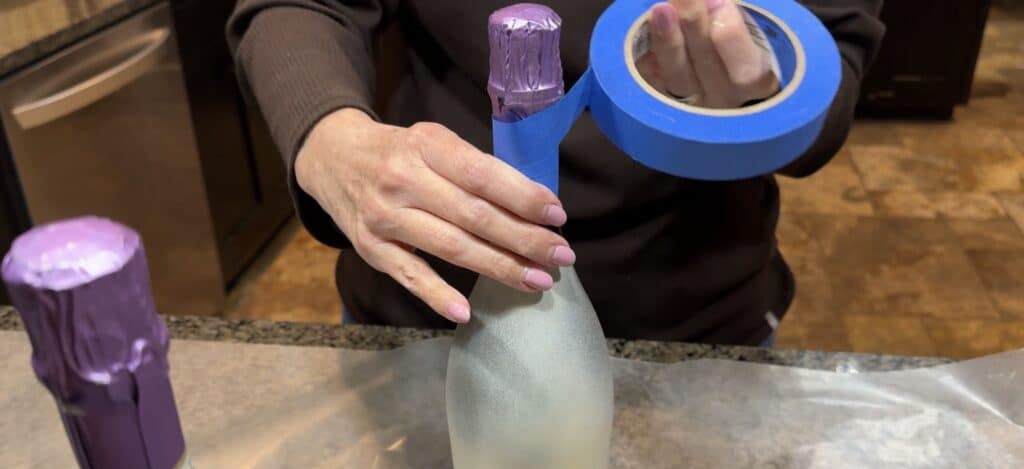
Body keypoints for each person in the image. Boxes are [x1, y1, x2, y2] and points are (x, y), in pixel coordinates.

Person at [226, 0, 884, 346]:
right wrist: (328, 133)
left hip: (688, 329)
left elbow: (829, 62)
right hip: (429, 311)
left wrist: (763, 100)